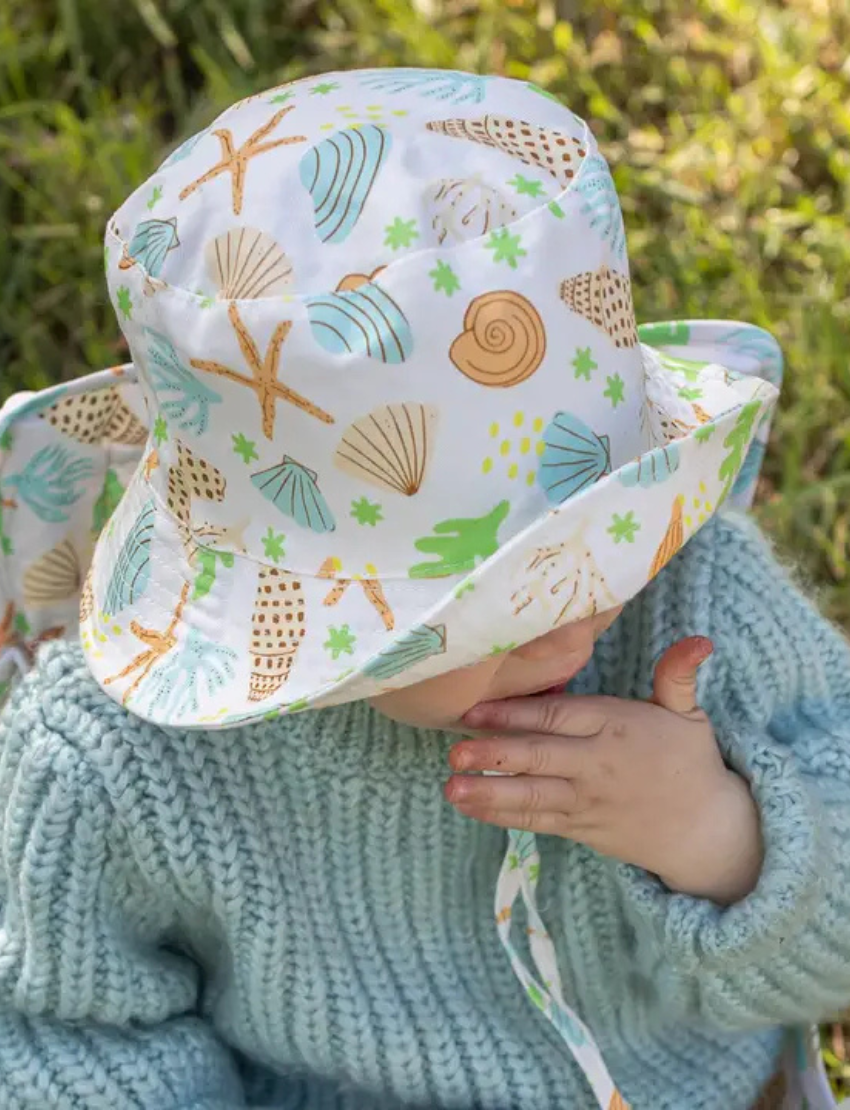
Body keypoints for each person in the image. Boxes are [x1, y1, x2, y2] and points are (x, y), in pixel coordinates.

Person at [0, 67, 848, 1110]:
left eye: (592, 544)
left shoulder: (699, 603)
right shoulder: (113, 765)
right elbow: (64, 1036)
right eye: (491, 603)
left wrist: (719, 832)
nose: (571, 606)